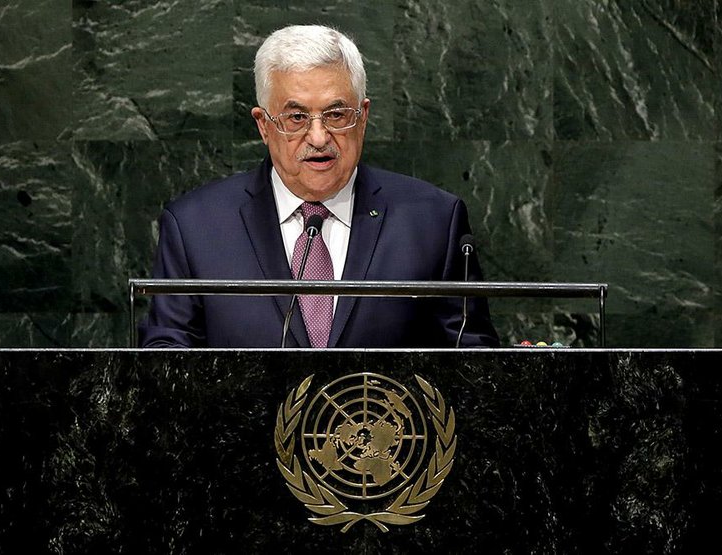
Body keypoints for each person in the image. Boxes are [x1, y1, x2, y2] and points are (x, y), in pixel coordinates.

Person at [138, 24, 499, 348]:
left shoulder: (433, 221)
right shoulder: (195, 227)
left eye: (336, 115)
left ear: (364, 117)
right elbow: (166, 363)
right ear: (264, 125)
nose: (318, 136)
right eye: (296, 117)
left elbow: (474, 366)